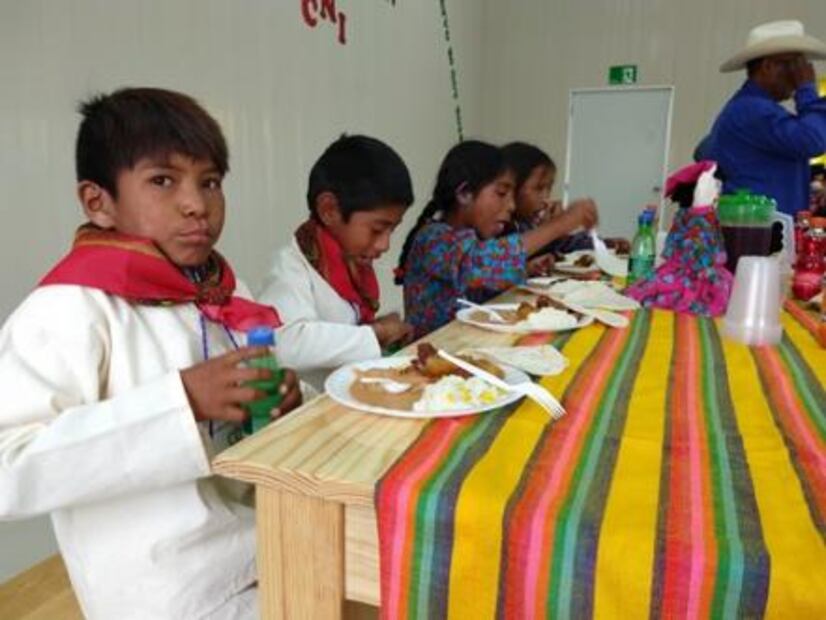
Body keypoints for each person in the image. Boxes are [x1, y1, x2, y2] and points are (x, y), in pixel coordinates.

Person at [0, 87, 303, 619]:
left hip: (262, 548)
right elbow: (8, 467)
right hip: (166, 596)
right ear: (98, 202)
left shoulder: (221, 293)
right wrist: (180, 403)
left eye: (210, 181)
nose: (196, 204)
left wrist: (285, 401)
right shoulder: (68, 308)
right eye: (163, 180)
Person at [259, 135, 415, 390]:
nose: (385, 244)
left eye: (392, 230)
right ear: (329, 210)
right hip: (312, 407)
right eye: (377, 229)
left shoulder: (350, 264)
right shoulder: (290, 268)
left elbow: (341, 328)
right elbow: (285, 343)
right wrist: (374, 334)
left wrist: (376, 329)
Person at [396, 140, 597, 337]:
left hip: (467, 342)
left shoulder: (471, 238)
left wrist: (526, 269)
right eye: (501, 193)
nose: (511, 205)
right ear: (465, 193)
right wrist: (560, 224)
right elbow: (479, 262)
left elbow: (476, 290)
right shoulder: (434, 238)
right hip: (431, 350)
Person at [707, 19, 826, 216]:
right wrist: (806, 89)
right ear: (768, 66)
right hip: (757, 229)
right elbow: (812, 140)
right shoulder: (752, 110)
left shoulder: (751, 108)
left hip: (761, 226)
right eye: (793, 66)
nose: (799, 75)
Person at [502, 141, 629, 255]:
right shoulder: (502, 227)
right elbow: (501, 257)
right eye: (539, 188)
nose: (546, 198)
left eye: (549, 188)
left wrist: (604, 244)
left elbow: (563, 245)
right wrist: (560, 223)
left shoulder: (528, 223)